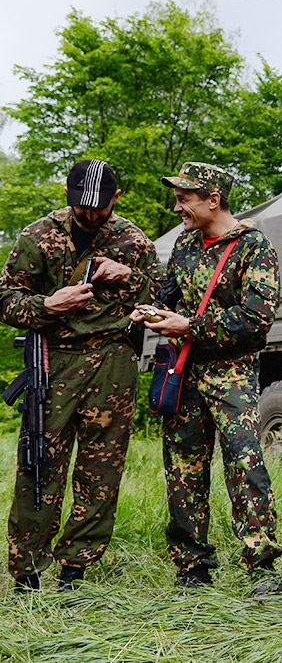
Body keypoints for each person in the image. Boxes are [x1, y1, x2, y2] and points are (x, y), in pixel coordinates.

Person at [0, 159, 163, 592]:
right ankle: (27, 572)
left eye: (99, 207)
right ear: (67, 194)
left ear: (116, 199)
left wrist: (128, 275)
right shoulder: (38, 236)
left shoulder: (134, 240)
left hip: (113, 361)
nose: (89, 214)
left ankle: (76, 568)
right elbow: (4, 298)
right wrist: (47, 306)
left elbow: (165, 297)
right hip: (54, 359)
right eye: (80, 205)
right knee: (39, 463)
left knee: (101, 469)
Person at [129, 162, 282, 593]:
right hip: (184, 371)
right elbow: (169, 292)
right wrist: (152, 311)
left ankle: (262, 565)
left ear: (213, 199)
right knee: (182, 470)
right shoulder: (183, 245)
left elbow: (256, 319)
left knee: (244, 465)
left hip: (231, 375)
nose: (177, 206)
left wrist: (189, 327)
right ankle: (192, 567)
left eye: (185, 198)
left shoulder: (256, 248)